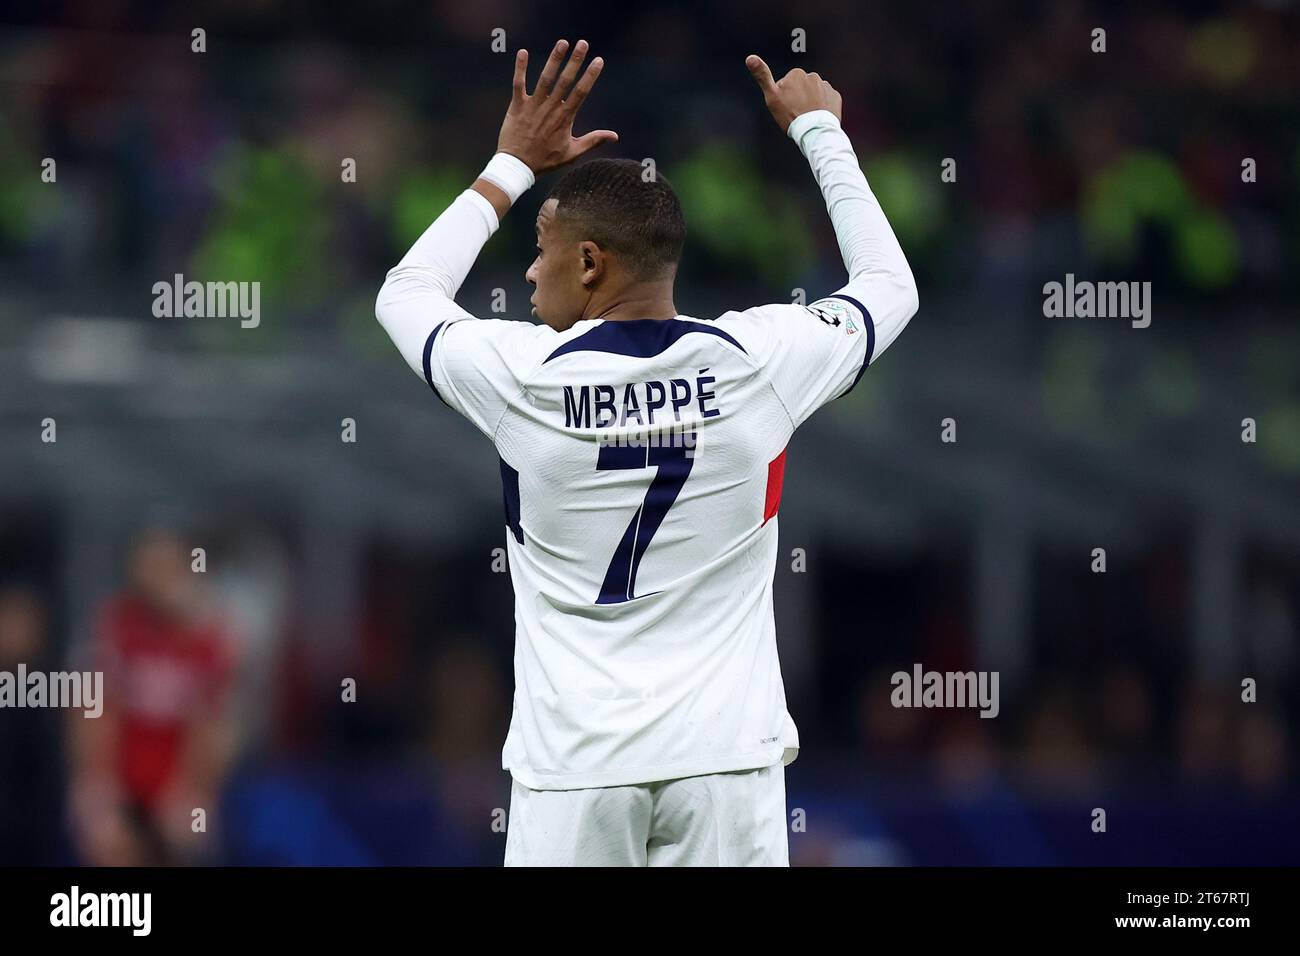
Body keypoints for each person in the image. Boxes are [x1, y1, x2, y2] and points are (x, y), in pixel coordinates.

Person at [376, 40, 917, 866]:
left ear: (589, 262)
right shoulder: (758, 362)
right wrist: (821, 135)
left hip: (577, 771)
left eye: (543, 249)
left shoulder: (522, 377)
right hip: (725, 764)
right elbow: (889, 286)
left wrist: (510, 166)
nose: (528, 273)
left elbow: (406, 294)